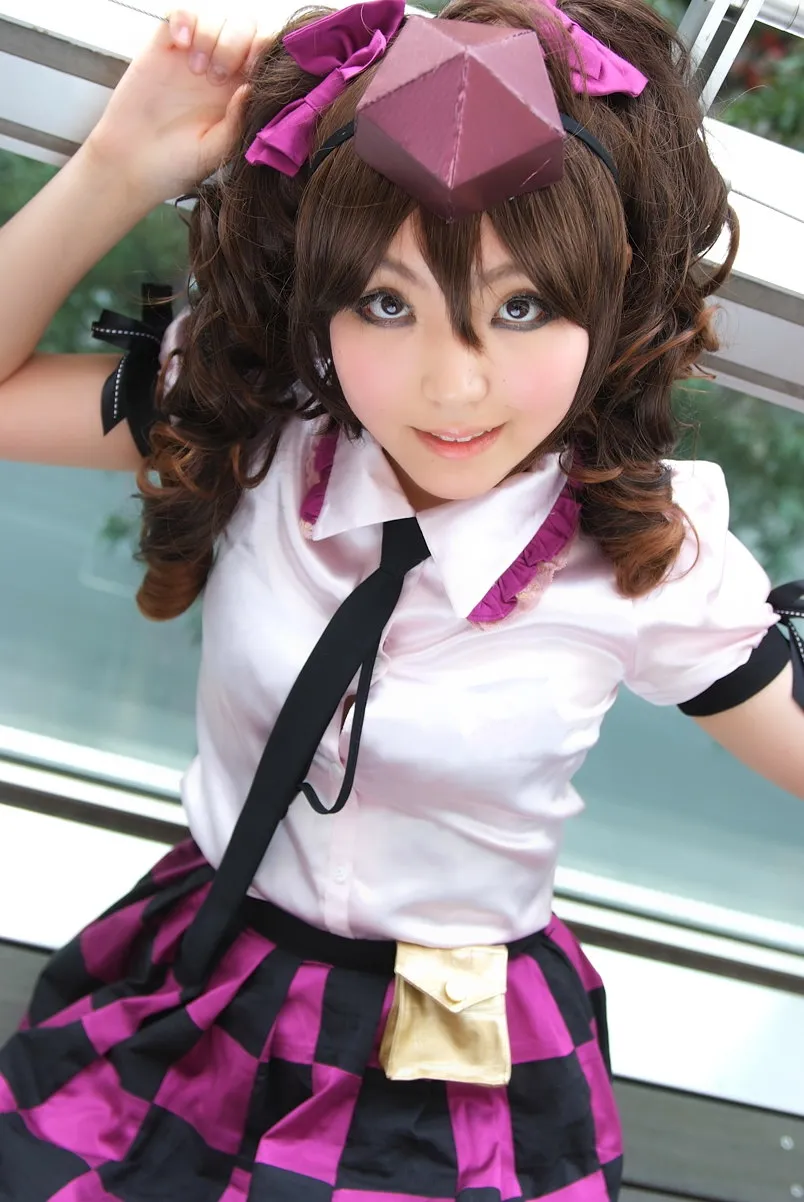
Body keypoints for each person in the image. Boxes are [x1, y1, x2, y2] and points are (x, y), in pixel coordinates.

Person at [0, 0, 802, 1198]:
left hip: (452, 1051)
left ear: (611, 297)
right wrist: (120, 166)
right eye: (386, 301)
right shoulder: (263, 428)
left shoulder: (640, 557)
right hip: (204, 963)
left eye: (521, 306)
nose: (452, 384)